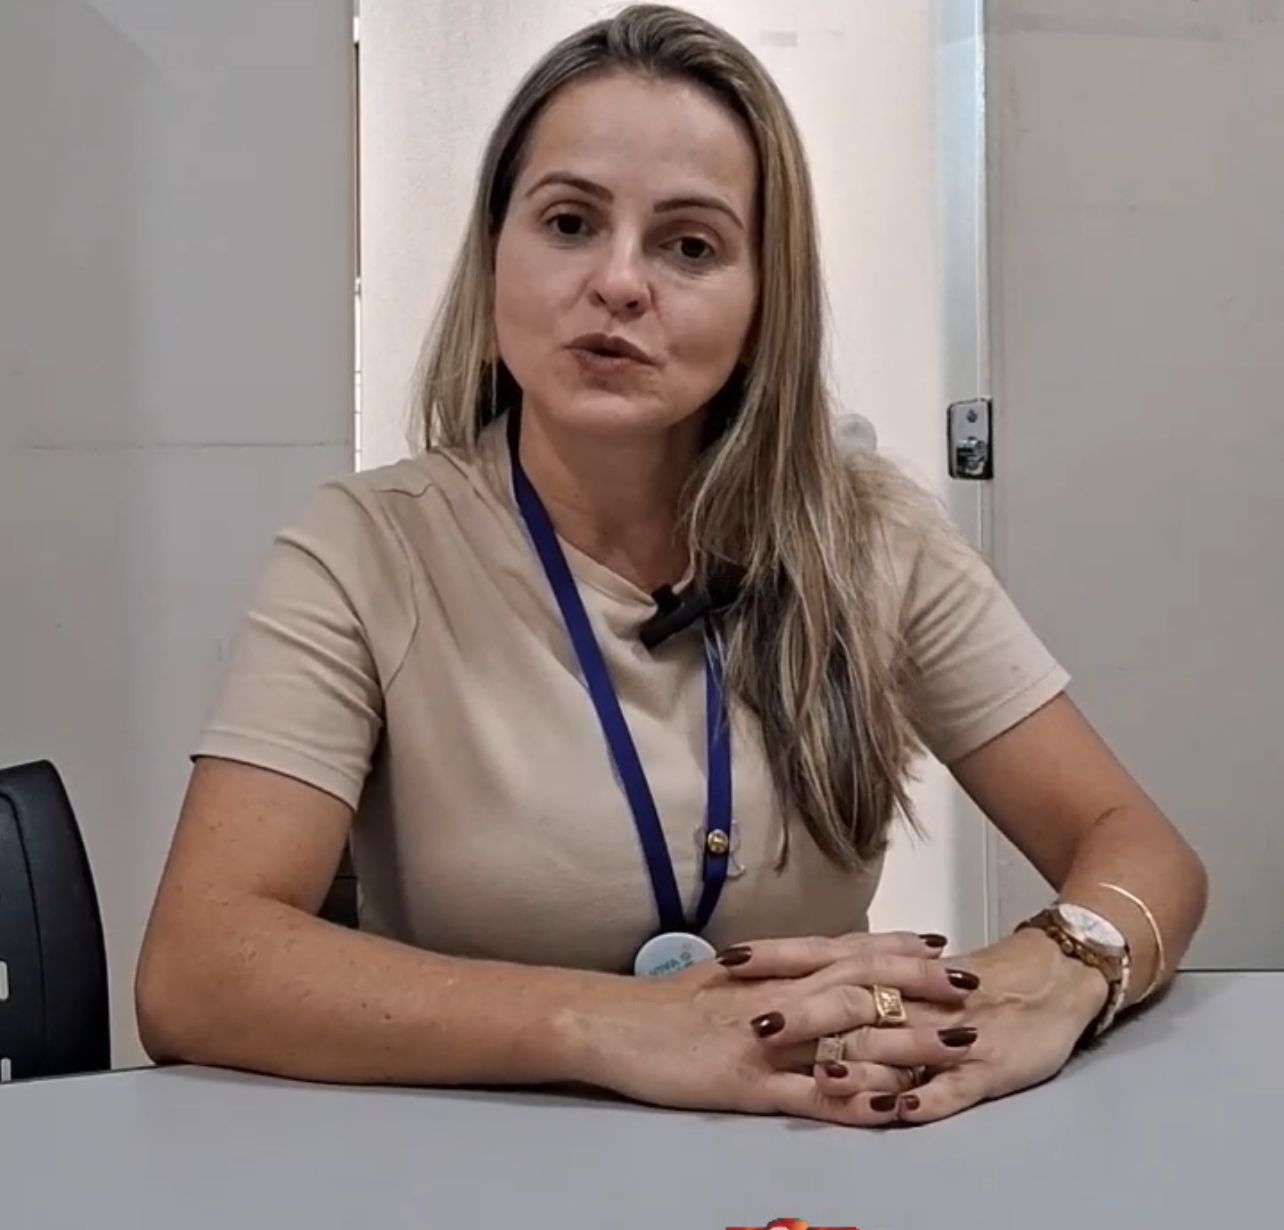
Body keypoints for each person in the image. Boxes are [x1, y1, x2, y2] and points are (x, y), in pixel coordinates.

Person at [134, 3, 1206, 1126]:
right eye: (568, 223)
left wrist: (1056, 971)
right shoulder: (365, 547)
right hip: (469, 1163)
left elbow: (1141, 848)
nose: (619, 282)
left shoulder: (871, 535)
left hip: (810, 1162)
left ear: (763, 301)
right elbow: (199, 964)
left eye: (690, 246)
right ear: (494, 253)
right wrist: (613, 1024)